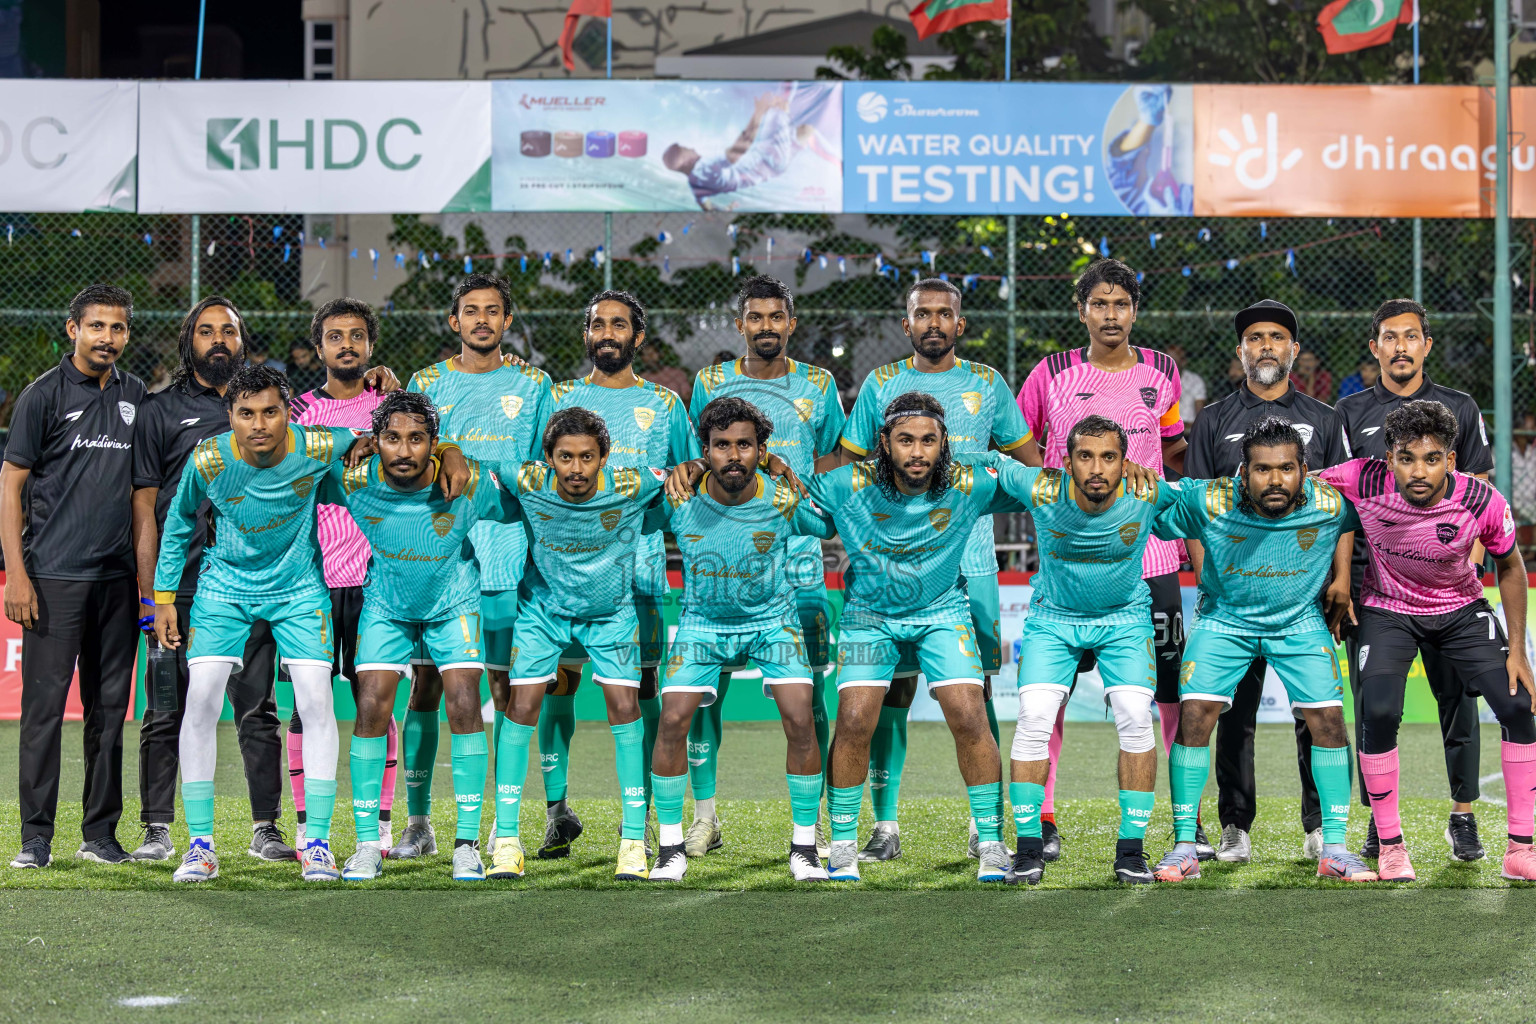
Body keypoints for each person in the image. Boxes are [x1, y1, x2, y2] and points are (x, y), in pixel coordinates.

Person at [150, 364, 470, 882]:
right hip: (224, 589)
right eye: (246, 413)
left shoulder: (321, 446)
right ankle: (201, 845)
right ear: (228, 415)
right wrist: (164, 596)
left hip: (299, 590)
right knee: (202, 698)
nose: (259, 424)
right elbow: (181, 518)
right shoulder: (207, 459)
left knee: (317, 701)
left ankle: (316, 842)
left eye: (271, 411)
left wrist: (448, 450)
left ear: (288, 414)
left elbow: (402, 433)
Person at [828, 277, 1033, 865]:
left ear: (960, 324)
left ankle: (982, 826)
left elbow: (1029, 462)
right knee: (888, 691)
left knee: (974, 692)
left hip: (969, 558)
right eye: (924, 314)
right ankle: (884, 825)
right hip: (893, 565)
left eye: (945, 314)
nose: (935, 323)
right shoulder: (881, 384)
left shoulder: (988, 383)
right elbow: (849, 468)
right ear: (907, 322)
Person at [1016, 257, 1199, 862]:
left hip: (1150, 561)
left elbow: (1172, 449)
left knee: (1163, 694)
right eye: (1100, 304)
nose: (1111, 314)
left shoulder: (1163, 372)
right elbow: (1024, 447)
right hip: (1071, 563)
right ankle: (1041, 820)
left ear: (1135, 311)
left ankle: (1182, 818)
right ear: (1082, 311)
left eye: (1121, 304)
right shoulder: (1052, 372)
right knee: (1050, 699)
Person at [1319, 400, 1536, 882]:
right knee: (1376, 711)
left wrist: (1517, 650)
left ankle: (1521, 848)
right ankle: (1391, 846)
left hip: (1460, 611)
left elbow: (1512, 566)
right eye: (1406, 458)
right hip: (1388, 611)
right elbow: (1296, 485)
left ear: (1451, 461)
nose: (1419, 471)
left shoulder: (1481, 501)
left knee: (1519, 706)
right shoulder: (1361, 478)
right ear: (1388, 457)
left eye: (1432, 458)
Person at [811, 392, 1023, 883]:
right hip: (870, 614)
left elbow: (1039, 486)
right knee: (855, 717)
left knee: (970, 711)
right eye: (905, 440)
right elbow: (794, 504)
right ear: (884, 444)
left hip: (942, 609)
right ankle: (842, 846)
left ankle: (991, 842)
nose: (918, 452)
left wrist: (1000, 462)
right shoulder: (847, 484)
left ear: (944, 442)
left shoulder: (967, 480)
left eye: (929, 440)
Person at [1151, 418, 1373, 882]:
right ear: (1242, 472)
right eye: (1263, 469)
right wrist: (1134, 475)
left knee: (1329, 721)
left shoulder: (1332, 503)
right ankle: (1184, 847)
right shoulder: (1209, 498)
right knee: (1195, 715)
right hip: (1224, 620)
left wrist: (1344, 582)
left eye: (1287, 468)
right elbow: (1149, 500)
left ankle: (1334, 848)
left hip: (1298, 621)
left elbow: (1392, 501)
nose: (1275, 480)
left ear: (1305, 470)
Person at [673, 275, 845, 859]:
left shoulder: (819, 384)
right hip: (724, 554)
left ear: (790, 324)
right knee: (703, 696)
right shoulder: (711, 381)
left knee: (808, 695)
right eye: (755, 317)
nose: (766, 326)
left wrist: (790, 480)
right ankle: (704, 816)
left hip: (797, 558)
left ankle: (811, 821)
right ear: (740, 323)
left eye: (777, 317)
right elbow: (701, 455)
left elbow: (829, 458)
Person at [1181, 299, 1349, 864]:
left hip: (1302, 595)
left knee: (1316, 711)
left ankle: (1320, 826)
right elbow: (1194, 506)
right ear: (1241, 352)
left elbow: (1342, 508)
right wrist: (1206, 571)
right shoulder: (1212, 420)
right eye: (1256, 338)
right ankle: (1235, 825)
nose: (1267, 346)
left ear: (1293, 349)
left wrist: (1342, 578)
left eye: (1277, 337)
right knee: (1232, 712)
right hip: (1230, 596)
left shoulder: (1327, 420)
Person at [325, 391, 517, 881]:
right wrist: (350, 440)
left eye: (417, 440)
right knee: (371, 708)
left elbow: (520, 503)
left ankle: (467, 845)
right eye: (391, 439)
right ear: (376, 441)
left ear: (434, 443)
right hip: (387, 607)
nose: (404, 451)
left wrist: (461, 455)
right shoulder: (352, 478)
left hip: (453, 603)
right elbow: (293, 456)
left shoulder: (465, 484)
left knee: (463, 704)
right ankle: (368, 844)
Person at [537, 291, 699, 861]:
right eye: (597, 324)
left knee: (643, 692)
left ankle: (652, 817)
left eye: (619, 325)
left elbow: (689, 479)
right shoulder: (557, 399)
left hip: (643, 575)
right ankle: (557, 811)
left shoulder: (666, 404)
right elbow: (538, 480)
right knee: (557, 685)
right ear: (586, 334)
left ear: (638, 336)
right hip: (563, 578)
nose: (608, 333)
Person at [129, 296, 289, 863]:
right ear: (188, 340)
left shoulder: (264, 408)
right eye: (206, 331)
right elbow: (145, 507)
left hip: (252, 586)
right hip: (180, 590)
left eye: (229, 331)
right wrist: (153, 595)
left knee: (257, 709)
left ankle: (265, 828)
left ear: (243, 341)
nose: (218, 340)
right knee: (166, 710)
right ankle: (157, 828)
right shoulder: (159, 411)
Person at [647, 397, 834, 881]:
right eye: (721, 445)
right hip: (702, 625)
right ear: (704, 451)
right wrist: (676, 468)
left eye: (746, 445)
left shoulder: (781, 496)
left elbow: (829, 521)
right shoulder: (679, 496)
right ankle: (670, 848)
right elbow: (625, 501)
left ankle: (805, 846)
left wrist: (787, 470)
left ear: (761, 450)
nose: (734, 455)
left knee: (800, 717)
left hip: (774, 622)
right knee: (672, 721)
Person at [1334, 299, 1494, 861]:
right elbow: (1340, 503)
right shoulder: (1349, 412)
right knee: (1376, 704)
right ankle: (1382, 823)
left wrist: (1469, 562)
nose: (1400, 347)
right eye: (1389, 337)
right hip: (1375, 590)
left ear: (1427, 345)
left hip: (1451, 586)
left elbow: (1479, 492)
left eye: (1411, 337)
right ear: (1374, 347)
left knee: (1459, 698)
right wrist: (1339, 581)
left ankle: (1463, 816)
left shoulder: (1460, 407)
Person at [399, 275, 552, 864]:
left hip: (512, 553)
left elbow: (546, 467)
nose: (482, 320)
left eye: (493, 311)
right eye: (471, 311)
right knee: (426, 687)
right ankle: (419, 824)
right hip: (440, 556)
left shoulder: (534, 384)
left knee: (506, 690)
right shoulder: (427, 383)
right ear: (453, 320)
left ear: (507, 322)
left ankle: (502, 825)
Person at [991, 416, 1179, 886]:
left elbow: (1214, 499)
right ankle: (1030, 849)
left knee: (1137, 717)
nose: (1097, 468)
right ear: (1066, 461)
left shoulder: (1148, 493)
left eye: (1109, 457)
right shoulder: (1040, 488)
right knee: (1034, 718)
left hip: (1124, 621)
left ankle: (1131, 853)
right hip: (1053, 620)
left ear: (1125, 462)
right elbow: (987, 461)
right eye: (1085, 456)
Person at [491, 408, 667, 881]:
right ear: (547, 458)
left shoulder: (633, 483)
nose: (575, 469)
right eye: (564, 457)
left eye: (587, 457)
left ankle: (633, 840)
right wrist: (448, 455)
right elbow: (473, 464)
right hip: (543, 612)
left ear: (604, 457)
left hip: (612, 614)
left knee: (624, 706)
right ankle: (506, 840)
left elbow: (689, 474)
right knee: (521, 706)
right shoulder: (526, 479)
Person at [4, 284, 146, 869]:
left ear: (126, 335)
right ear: (73, 329)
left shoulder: (138, 396)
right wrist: (16, 573)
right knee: (42, 714)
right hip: (53, 578)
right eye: (96, 327)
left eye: (116, 328)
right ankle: (36, 838)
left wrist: (146, 584)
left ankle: (100, 834)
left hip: (116, 582)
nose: (106, 338)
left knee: (109, 712)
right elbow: (10, 485)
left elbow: (145, 497)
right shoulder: (42, 396)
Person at [287, 297, 403, 850]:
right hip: (310, 579)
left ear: (370, 346)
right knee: (305, 705)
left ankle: (378, 822)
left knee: (373, 701)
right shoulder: (295, 412)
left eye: (357, 336)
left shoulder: (391, 409)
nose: (347, 345)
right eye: (336, 337)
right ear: (320, 348)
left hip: (377, 578)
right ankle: (310, 821)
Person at [662, 88, 836, 209]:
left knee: (806, 131)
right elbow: (736, 153)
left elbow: (706, 207)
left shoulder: (694, 185)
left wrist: (726, 210)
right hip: (768, 158)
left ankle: (837, 161)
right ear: (686, 160)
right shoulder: (703, 167)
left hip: (773, 168)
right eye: (687, 149)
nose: (692, 148)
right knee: (778, 107)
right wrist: (758, 113)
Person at [1166, 344, 1205, 426]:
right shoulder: (1156, 379)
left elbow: (1200, 414)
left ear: (1183, 362)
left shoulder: (1195, 380)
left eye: (1174, 360)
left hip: (1189, 428)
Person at [1513, 411, 1536, 552]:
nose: (1534, 429)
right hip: (1513, 503)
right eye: (1531, 425)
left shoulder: (1532, 451)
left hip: (1532, 503)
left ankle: (1531, 556)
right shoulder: (1503, 450)